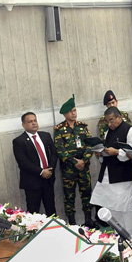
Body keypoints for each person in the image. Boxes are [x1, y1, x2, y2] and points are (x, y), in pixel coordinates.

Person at [90, 107, 132, 239]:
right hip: (109, 174)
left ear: (119, 117)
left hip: (124, 174)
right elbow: (106, 152)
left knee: (127, 205)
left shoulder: (130, 130)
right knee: (112, 205)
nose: (109, 124)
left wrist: (117, 152)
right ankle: (119, 231)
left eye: (112, 120)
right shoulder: (108, 132)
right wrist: (100, 153)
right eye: (107, 121)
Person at [54, 95, 94, 227]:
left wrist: (84, 160)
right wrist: (75, 162)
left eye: (75, 110)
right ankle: (72, 223)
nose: (73, 113)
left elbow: (90, 145)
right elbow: (60, 150)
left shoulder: (82, 127)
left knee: (87, 194)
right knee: (69, 197)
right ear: (65, 113)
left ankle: (88, 219)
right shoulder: (59, 130)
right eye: (71, 111)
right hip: (69, 171)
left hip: (84, 168)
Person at [12, 112, 57, 216]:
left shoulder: (45, 136)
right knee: (33, 211)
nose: (34, 123)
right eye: (30, 121)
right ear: (23, 125)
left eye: (35, 120)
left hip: (48, 179)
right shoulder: (19, 141)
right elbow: (23, 162)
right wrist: (41, 172)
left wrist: (50, 169)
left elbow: (54, 153)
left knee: (51, 209)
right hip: (32, 182)